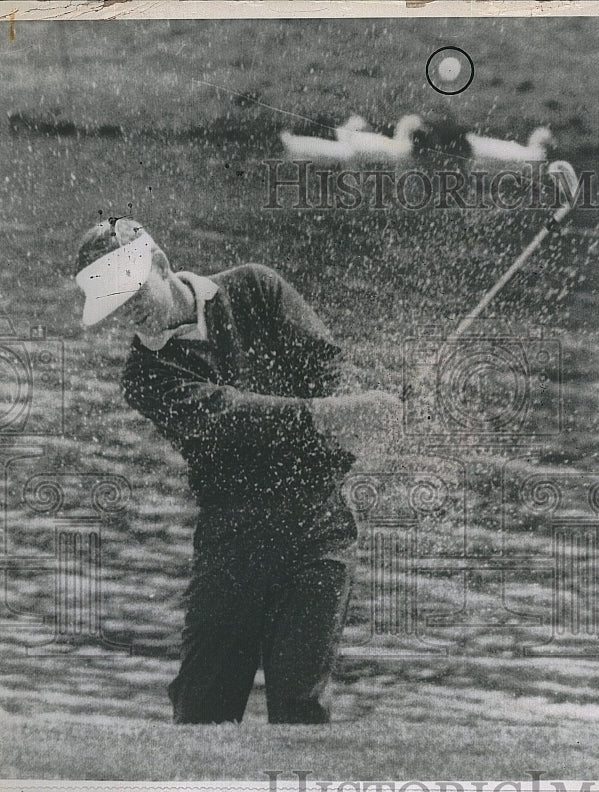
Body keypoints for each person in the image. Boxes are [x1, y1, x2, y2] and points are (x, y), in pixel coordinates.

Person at [75, 216, 400, 724]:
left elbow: (328, 365)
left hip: (318, 527)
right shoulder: (146, 376)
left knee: (300, 706)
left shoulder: (256, 287)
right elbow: (230, 418)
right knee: (203, 709)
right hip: (233, 537)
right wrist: (328, 417)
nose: (130, 312)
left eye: (133, 294)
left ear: (160, 265)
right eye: (116, 306)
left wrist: (356, 413)